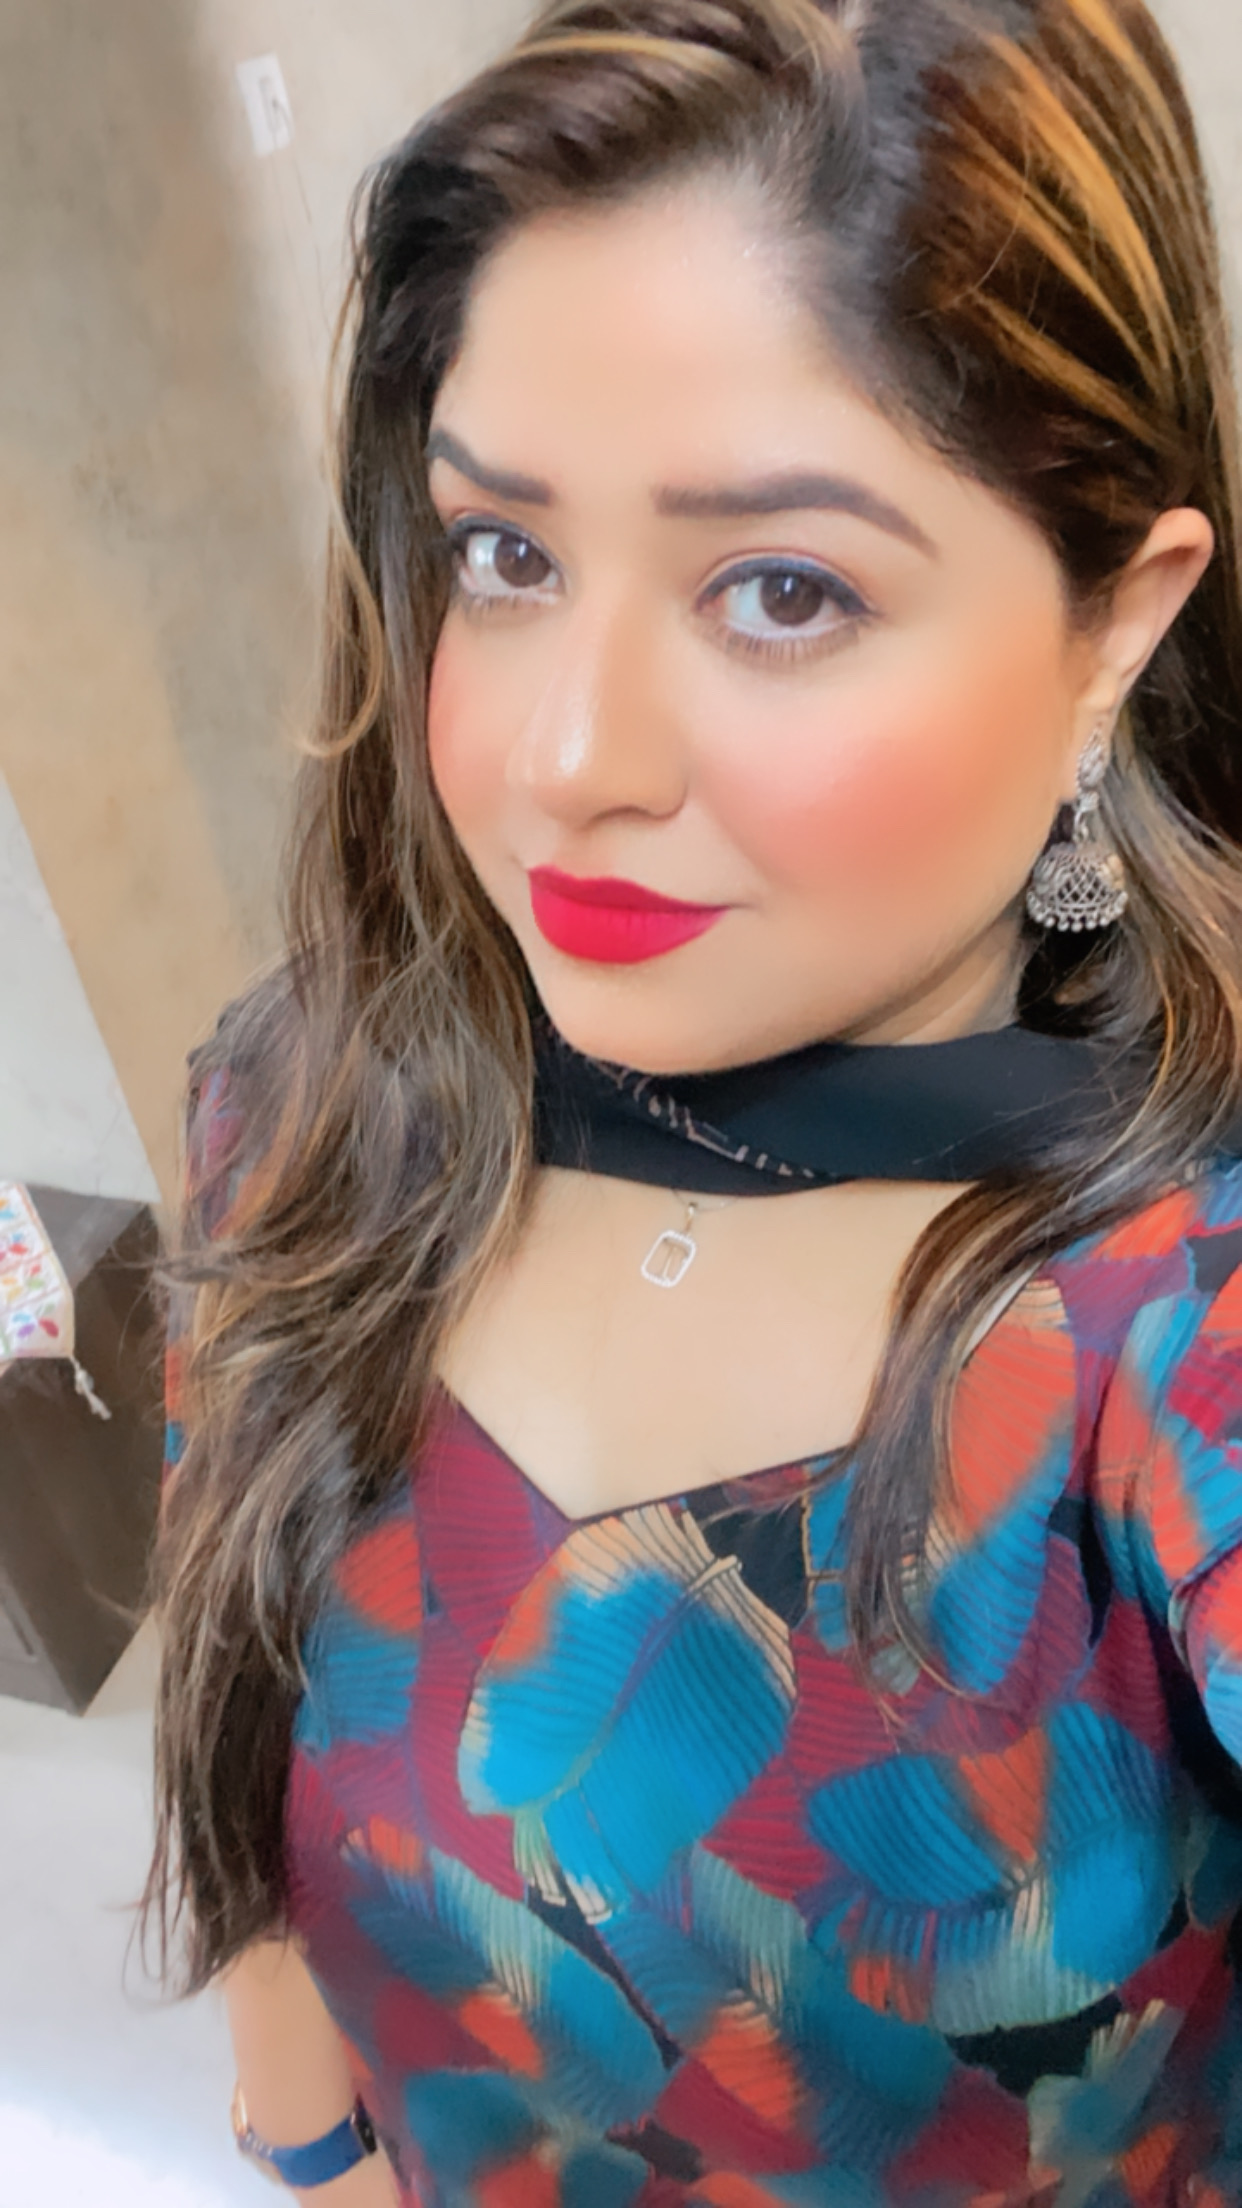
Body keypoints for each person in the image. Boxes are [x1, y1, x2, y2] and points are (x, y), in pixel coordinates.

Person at [148, 1, 1242, 2201]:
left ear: (1118, 622)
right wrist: (305, 2148)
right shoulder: (315, 1100)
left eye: (782, 589)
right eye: (507, 555)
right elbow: (242, 1724)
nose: (567, 759)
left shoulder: (1176, 1312)